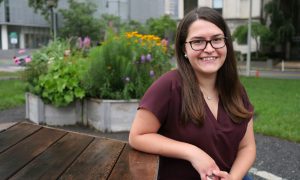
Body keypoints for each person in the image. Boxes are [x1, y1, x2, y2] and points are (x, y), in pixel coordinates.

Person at [129, 6, 256, 180]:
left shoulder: (237, 90)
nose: (209, 48)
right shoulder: (168, 86)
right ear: (184, 49)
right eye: (198, 41)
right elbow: (138, 136)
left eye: (217, 39)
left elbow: (247, 147)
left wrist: (233, 178)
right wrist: (193, 153)